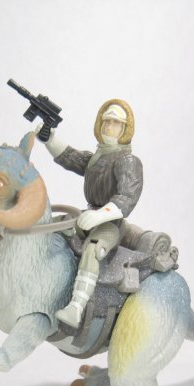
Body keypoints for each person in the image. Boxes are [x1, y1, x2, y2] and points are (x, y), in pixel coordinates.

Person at [39, 99, 143, 328]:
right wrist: (50, 139)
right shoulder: (99, 156)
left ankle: (76, 307)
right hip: (88, 215)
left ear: (125, 128)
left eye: (115, 123)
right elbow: (72, 158)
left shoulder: (128, 161)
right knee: (54, 226)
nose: (109, 127)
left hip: (110, 223)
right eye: (106, 121)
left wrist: (100, 215)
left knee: (93, 249)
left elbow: (127, 196)